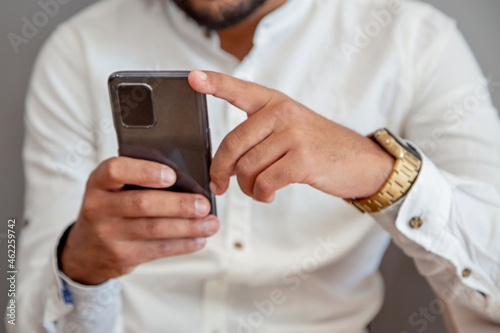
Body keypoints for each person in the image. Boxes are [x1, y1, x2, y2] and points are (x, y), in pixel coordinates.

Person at [12, 0, 500, 332]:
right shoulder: (79, 48)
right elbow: (23, 313)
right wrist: (79, 270)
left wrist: (378, 172)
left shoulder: (415, 40)